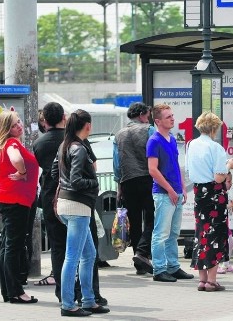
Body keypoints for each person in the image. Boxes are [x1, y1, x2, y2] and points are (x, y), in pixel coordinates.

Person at [55, 109, 110, 316]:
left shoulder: (65, 146)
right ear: (87, 125)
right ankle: (68, 304)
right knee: (74, 256)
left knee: (88, 254)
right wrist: (94, 182)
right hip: (77, 206)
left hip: (68, 205)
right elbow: (77, 180)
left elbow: (55, 172)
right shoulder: (78, 148)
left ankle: (88, 300)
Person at [0, 111, 40, 304]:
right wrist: (23, 171)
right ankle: (16, 291)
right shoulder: (11, 143)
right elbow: (16, 158)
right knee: (14, 246)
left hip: (10, 199)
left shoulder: (3, 143)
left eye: (19, 121)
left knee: (8, 245)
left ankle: (9, 290)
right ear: (6, 130)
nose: (19, 126)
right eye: (14, 124)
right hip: (15, 200)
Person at [186, 112, 233, 292]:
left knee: (201, 233)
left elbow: (189, 170)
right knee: (216, 234)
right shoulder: (216, 148)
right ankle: (212, 280)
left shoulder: (191, 144)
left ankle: (201, 279)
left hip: (199, 192)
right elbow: (218, 177)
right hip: (215, 194)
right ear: (215, 128)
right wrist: (229, 166)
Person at [147, 104, 194, 282]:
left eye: (172, 116)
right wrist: (169, 189)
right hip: (163, 193)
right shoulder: (154, 141)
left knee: (174, 233)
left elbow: (176, 164)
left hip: (175, 191)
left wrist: (182, 186)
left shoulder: (172, 139)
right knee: (161, 233)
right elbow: (152, 169)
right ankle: (159, 269)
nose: (172, 119)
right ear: (158, 121)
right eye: (168, 117)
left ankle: (173, 266)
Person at [113, 101, 155, 275]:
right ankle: (143, 253)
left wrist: (119, 184)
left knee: (135, 221)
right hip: (148, 178)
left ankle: (139, 263)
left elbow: (116, 163)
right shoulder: (149, 130)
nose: (148, 118)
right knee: (152, 218)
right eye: (147, 115)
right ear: (142, 115)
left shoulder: (119, 135)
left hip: (128, 181)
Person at [32, 102, 66, 298]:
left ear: (44, 121)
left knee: (56, 244)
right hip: (71, 196)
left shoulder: (39, 143)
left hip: (48, 195)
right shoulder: (73, 140)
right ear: (63, 117)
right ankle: (75, 287)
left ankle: (60, 287)